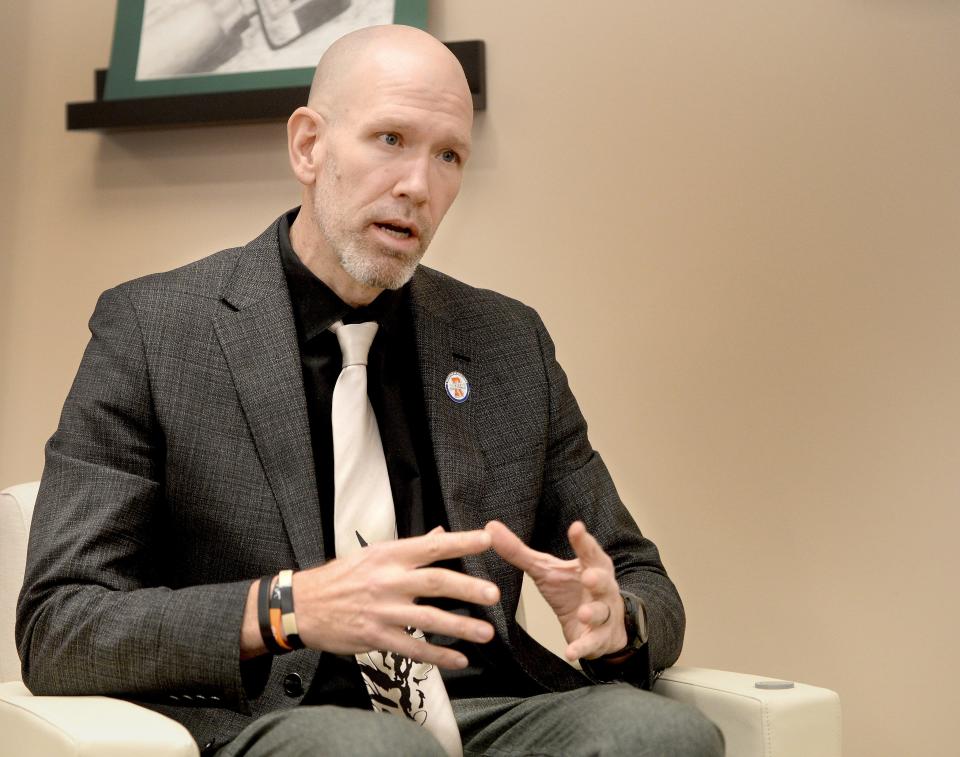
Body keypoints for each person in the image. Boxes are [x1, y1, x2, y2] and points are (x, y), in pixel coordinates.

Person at [16, 24, 723, 757]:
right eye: (390, 139)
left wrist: (618, 622)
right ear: (308, 146)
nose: (419, 185)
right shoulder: (157, 329)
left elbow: (640, 578)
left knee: (659, 732)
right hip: (275, 722)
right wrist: (286, 606)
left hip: (482, 709)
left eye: (448, 155)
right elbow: (60, 622)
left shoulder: (508, 342)